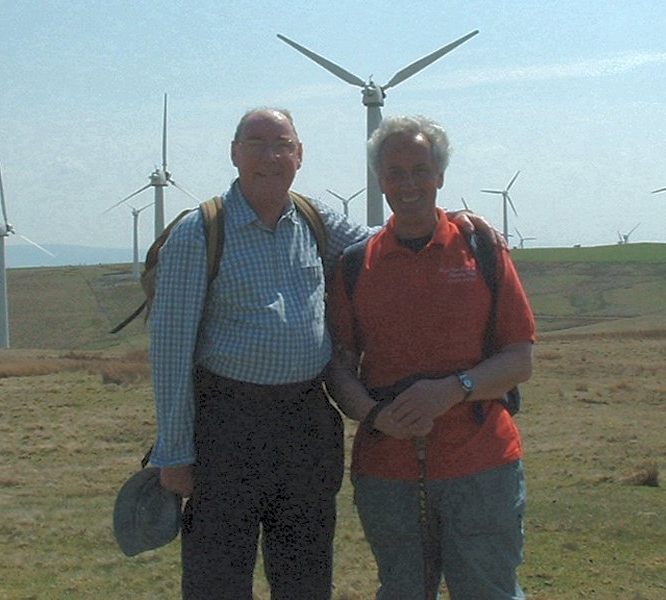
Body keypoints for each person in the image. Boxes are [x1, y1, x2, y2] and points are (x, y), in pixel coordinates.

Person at [149, 107, 497, 599]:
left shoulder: (316, 220)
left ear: (299, 155)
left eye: (282, 144)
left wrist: (453, 223)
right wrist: (175, 453)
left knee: (306, 577)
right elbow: (169, 351)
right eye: (256, 144)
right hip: (226, 425)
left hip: (305, 423)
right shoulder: (199, 232)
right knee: (217, 578)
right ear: (234, 154)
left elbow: (388, 241)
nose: (270, 156)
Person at [327, 115, 535, 599]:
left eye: (420, 170)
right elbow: (339, 368)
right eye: (395, 172)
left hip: (482, 463)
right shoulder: (356, 264)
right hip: (388, 472)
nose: (409, 183)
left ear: (440, 175)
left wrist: (451, 391)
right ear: (379, 180)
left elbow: (519, 358)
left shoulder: (481, 247)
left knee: (489, 592)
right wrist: (376, 416)